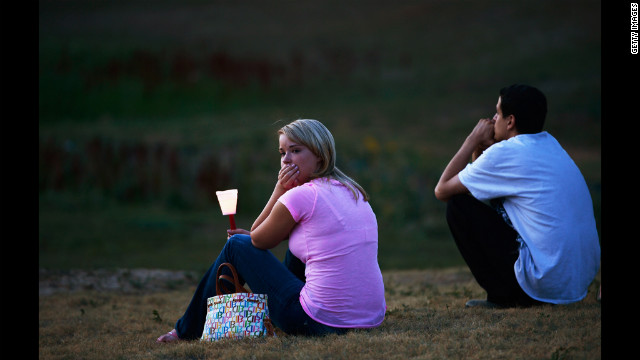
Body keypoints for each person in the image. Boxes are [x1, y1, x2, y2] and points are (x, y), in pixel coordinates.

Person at [157, 119, 386, 342]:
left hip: (317, 321)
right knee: (293, 251)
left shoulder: (302, 195)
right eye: (282, 152)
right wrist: (255, 237)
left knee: (236, 245)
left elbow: (257, 239)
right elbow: (270, 236)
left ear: (319, 155)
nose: (286, 160)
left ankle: (186, 332)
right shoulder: (354, 192)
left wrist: (280, 189)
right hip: (369, 317)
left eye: (295, 151)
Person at [434, 84, 600, 308]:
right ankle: (510, 291)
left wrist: (472, 139)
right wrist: (481, 150)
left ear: (510, 121)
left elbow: (442, 190)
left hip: (543, 284)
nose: (493, 119)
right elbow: (484, 190)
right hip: (575, 284)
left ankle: (502, 297)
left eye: (498, 113)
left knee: (458, 206)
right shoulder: (551, 145)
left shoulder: (505, 153)